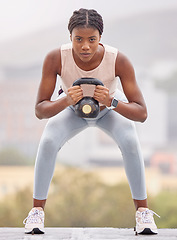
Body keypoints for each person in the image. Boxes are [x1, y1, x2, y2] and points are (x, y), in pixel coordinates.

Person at [23, 8, 159, 235]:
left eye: (92, 40)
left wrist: (112, 101)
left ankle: (143, 214)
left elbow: (142, 113)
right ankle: (36, 212)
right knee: (47, 141)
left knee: (130, 141)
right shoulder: (55, 58)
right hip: (71, 111)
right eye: (79, 39)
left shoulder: (119, 60)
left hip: (108, 111)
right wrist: (66, 100)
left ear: (100, 38)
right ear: (70, 38)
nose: (85, 46)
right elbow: (40, 110)